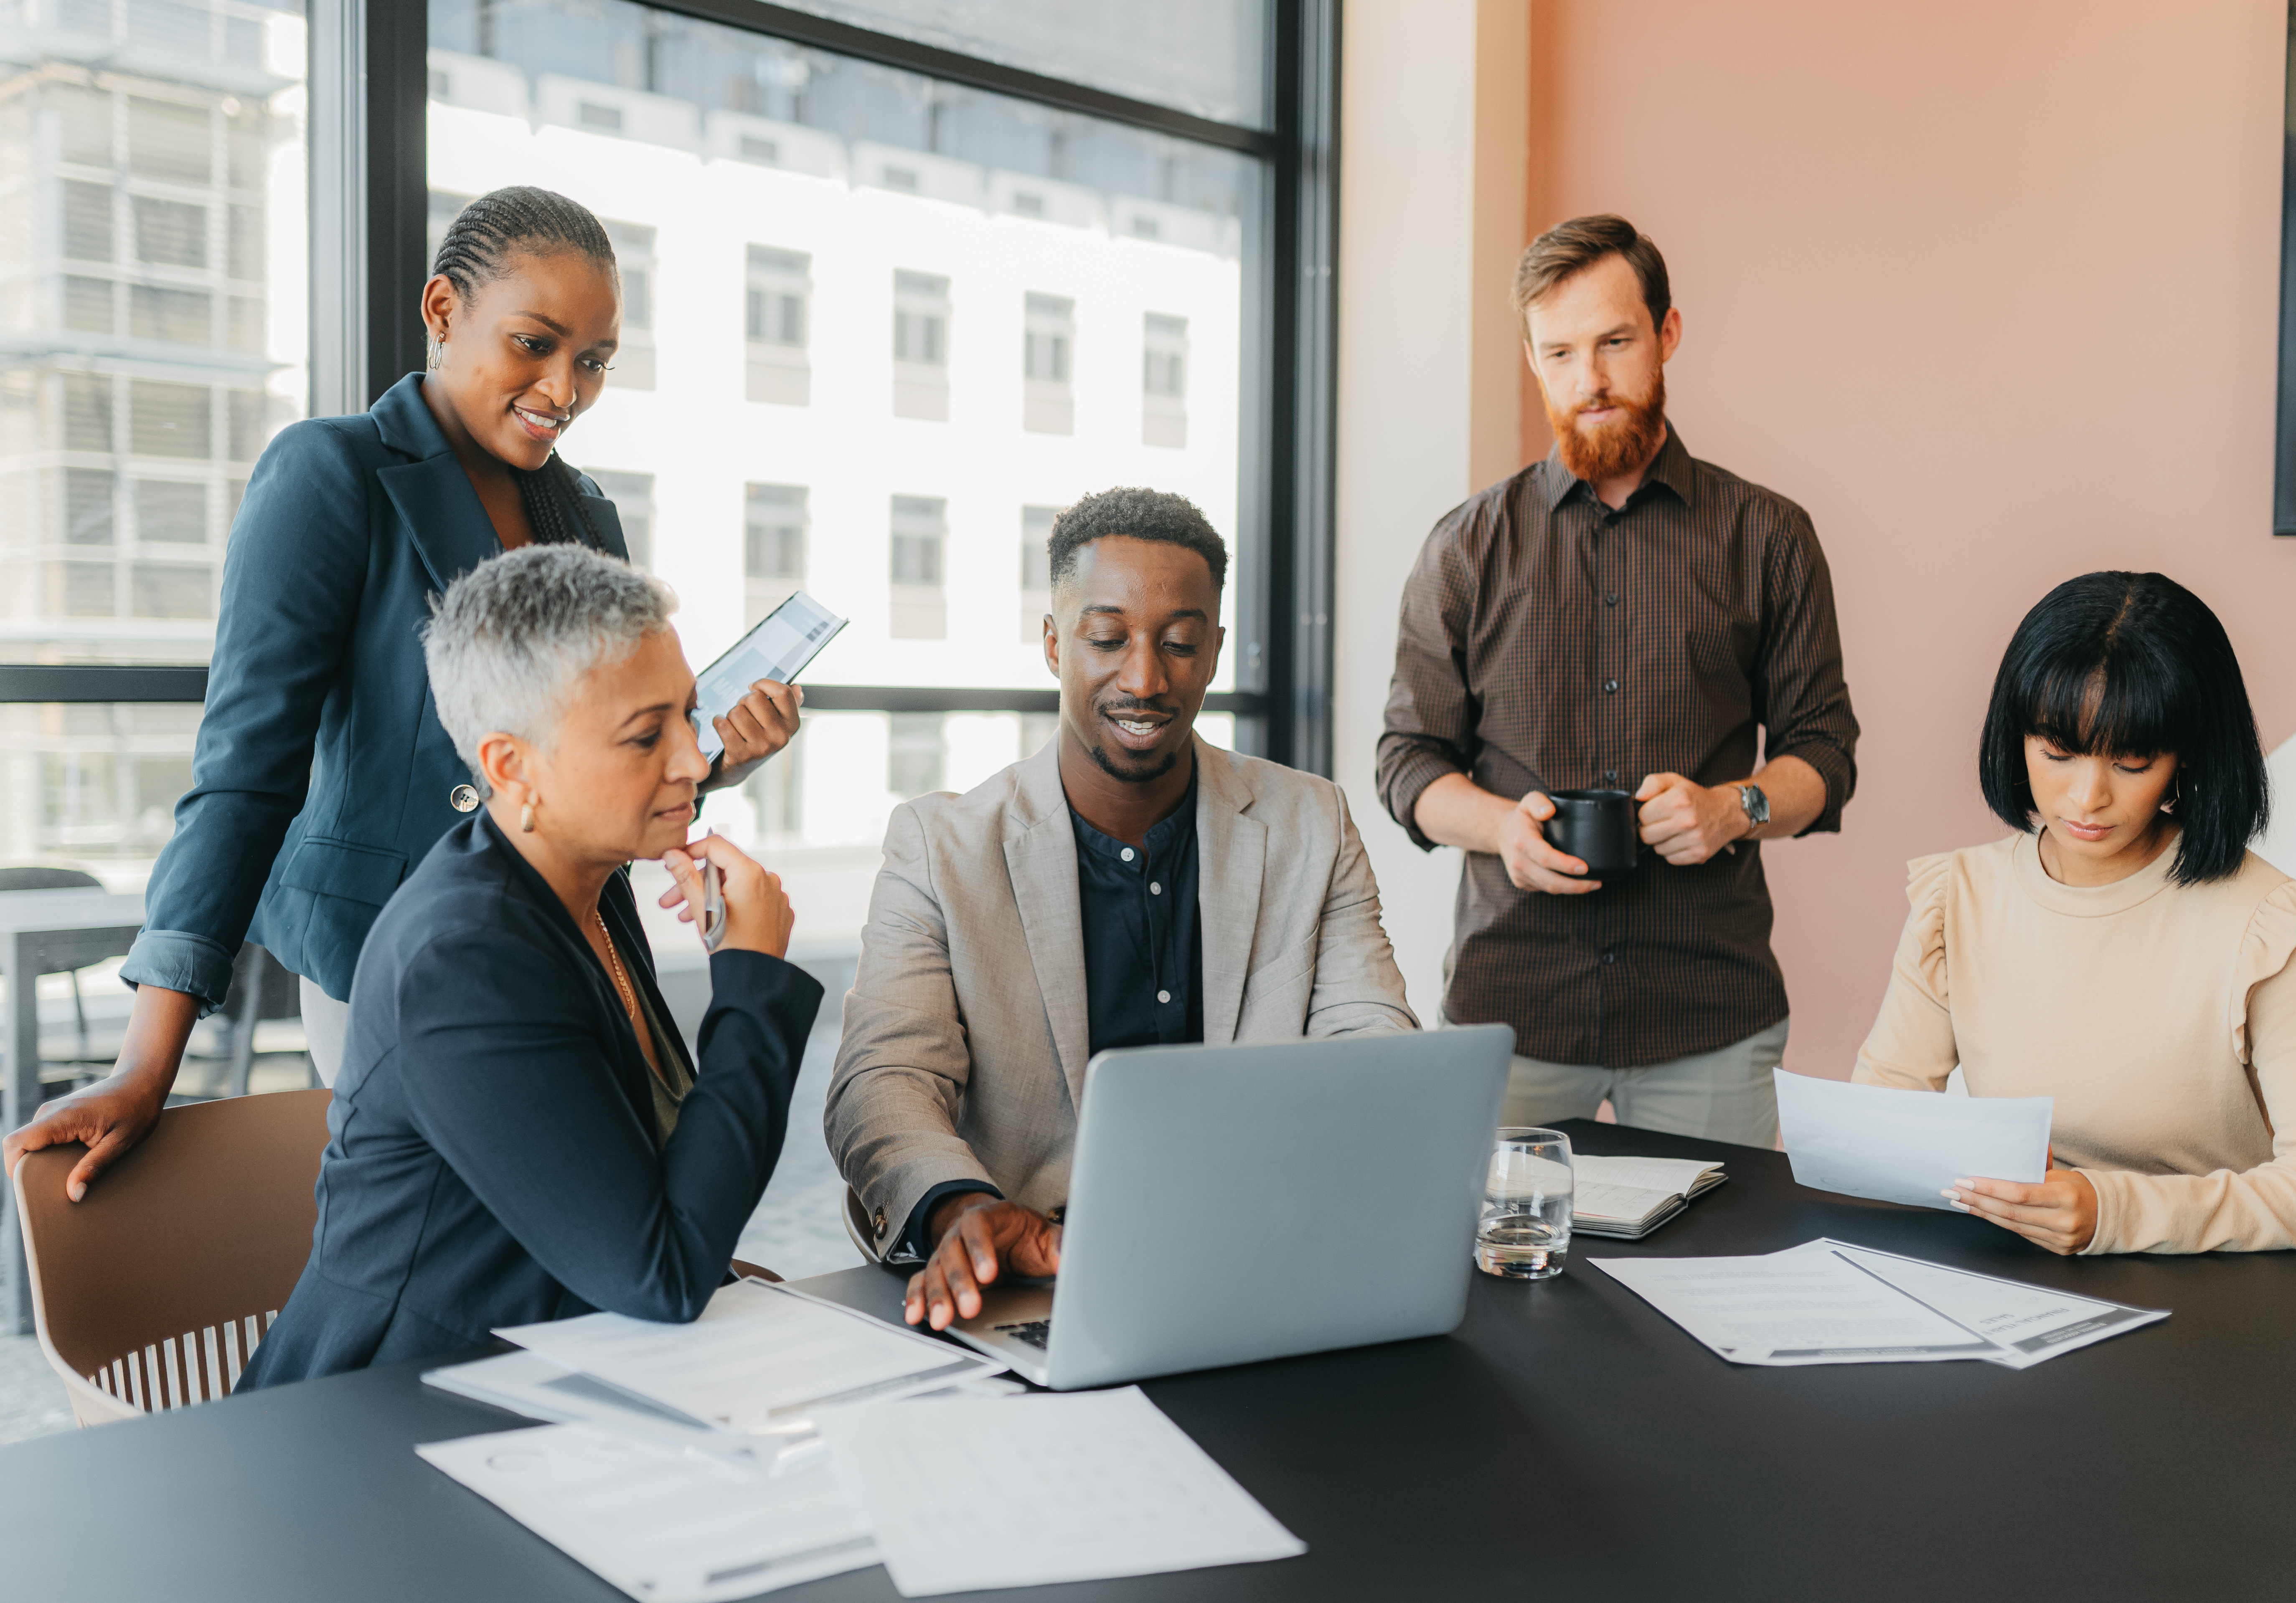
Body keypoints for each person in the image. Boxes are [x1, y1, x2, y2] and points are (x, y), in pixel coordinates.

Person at [3, 186, 798, 1201]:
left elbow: (574, 757)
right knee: (485, 1243)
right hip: (394, 952)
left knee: (614, 1230)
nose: (565, 388)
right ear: (442, 310)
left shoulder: (585, 513)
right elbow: (245, 771)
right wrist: (147, 1061)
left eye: (595, 360)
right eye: (534, 344)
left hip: (578, 942)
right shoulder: (332, 472)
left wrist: (712, 754)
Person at [824, 487, 1417, 1332]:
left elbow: (1374, 1048)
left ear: (1214, 652)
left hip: (1258, 1262)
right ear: (1053, 643)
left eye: (1179, 644)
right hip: (1033, 1282)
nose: (1144, 679)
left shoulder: (1309, 822)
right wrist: (963, 1211)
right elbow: (883, 1080)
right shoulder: (940, 845)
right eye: (1107, 640)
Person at [238, 547, 820, 1386]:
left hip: (553, 1367)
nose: (696, 762)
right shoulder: (465, 960)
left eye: (689, 716)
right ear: (511, 766)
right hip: (389, 1408)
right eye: (646, 736)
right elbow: (663, 1273)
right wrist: (752, 979)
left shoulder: (584, 893)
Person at [1378, 214, 1858, 1147]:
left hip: (1707, 1013)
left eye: (1614, 343)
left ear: (1666, 334)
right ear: (1533, 360)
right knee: (1490, 1246)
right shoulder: (1467, 546)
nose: (1589, 380)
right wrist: (1501, 829)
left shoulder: (1769, 537)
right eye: (1559, 353)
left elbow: (1825, 754)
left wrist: (1734, 808)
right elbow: (1408, 762)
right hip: (1510, 1013)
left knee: (1720, 1249)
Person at [1854, 571, 2296, 1255]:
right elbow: (1877, 1120)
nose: (2087, 798)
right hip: (2020, 1277)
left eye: (2131, 762)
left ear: (2186, 757)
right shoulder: (1957, 898)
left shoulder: (2268, 927)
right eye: (2057, 753)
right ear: (2017, 738)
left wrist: (2112, 1211)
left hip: (2220, 1295)